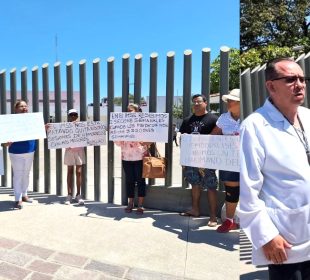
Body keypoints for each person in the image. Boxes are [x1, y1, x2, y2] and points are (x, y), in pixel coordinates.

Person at [239, 57, 310, 279]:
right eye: (290, 79)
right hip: (286, 238)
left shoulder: (307, 116)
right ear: (271, 86)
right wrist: (266, 236)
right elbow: (247, 189)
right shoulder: (254, 126)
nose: (299, 84)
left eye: (302, 78)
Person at [179, 94, 219, 226]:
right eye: (194, 102)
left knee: (211, 187)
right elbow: (182, 140)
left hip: (208, 159)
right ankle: (195, 209)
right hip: (191, 158)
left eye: (199, 102)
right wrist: (183, 159)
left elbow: (221, 139)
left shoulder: (214, 119)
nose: (196, 104)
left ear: (205, 103)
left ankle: (213, 216)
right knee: (194, 184)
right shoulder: (187, 120)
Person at [211, 89, 240, 233]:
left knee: (252, 191)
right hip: (229, 160)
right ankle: (230, 221)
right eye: (228, 99)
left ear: (241, 102)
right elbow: (213, 135)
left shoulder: (252, 117)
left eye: (232, 100)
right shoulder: (223, 117)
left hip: (250, 160)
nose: (228, 102)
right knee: (232, 190)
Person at [114, 103, 151, 215]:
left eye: (131, 111)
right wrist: (114, 133)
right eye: (128, 111)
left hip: (140, 157)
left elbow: (150, 140)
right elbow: (119, 143)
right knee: (129, 181)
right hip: (126, 157)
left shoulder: (143, 124)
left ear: (137, 112)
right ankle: (130, 203)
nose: (129, 113)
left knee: (140, 181)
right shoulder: (123, 125)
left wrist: (146, 142)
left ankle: (140, 204)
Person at [6, 100, 36, 209]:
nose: (24, 108)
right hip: (16, 152)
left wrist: (44, 128)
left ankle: (24, 195)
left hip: (30, 150)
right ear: (16, 109)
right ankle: (17, 199)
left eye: (25, 106)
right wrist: (6, 142)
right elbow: (4, 140)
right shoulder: (9, 121)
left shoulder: (33, 120)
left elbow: (37, 131)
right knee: (18, 175)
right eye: (21, 106)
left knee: (26, 174)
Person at [64, 109, 86, 205]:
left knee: (79, 172)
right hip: (69, 150)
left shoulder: (82, 125)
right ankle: (69, 195)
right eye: (71, 114)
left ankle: (78, 195)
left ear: (77, 116)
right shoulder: (65, 126)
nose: (73, 116)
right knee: (69, 172)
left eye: (75, 114)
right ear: (69, 116)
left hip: (80, 150)